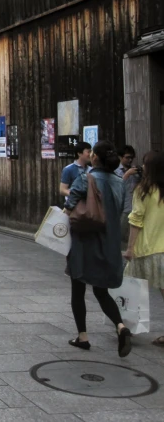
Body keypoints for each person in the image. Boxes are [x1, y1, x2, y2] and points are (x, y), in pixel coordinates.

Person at [64, 140, 131, 357]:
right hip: (109, 241)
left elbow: (69, 205)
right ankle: (120, 326)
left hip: (85, 241)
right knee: (102, 291)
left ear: (95, 157)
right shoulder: (120, 182)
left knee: (78, 287)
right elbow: (121, 210)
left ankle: (83, 336)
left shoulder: (86, 178)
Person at [124, 151, 164, 346]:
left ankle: (128, 327)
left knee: (133, 287)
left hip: (146, 248)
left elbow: (136, 220)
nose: (143, 167)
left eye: (145, 164)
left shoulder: (143, 190)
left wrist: (130, 248)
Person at [115, 145, 141, 245]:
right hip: (122, 208)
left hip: (134, 206)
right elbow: (116, 186)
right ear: (120, 157)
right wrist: (127, 174)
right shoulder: (116, 171)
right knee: (120, 234)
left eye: (131, 158)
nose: (129, 160)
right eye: (127, 157)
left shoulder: (135, 170)